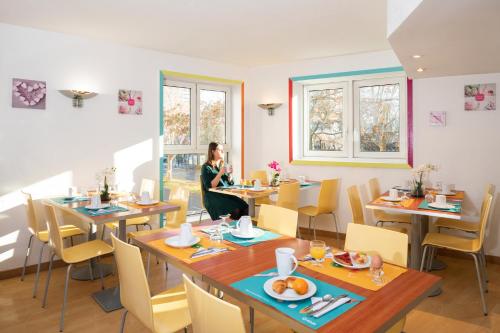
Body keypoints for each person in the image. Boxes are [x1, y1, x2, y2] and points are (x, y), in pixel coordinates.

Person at [201, 142, 248, 220]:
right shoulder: (206, 167)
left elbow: (230, 184)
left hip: (225, 194)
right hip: (212, 196)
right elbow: (209, 186)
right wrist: (220, 173)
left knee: (245, 207)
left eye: (223, 150)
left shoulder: (221, 166)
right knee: (235, 210)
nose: (223, 152)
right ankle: (233, 227)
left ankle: (242, 227)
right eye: (220, 150)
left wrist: (230, 175)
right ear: (213, 151)